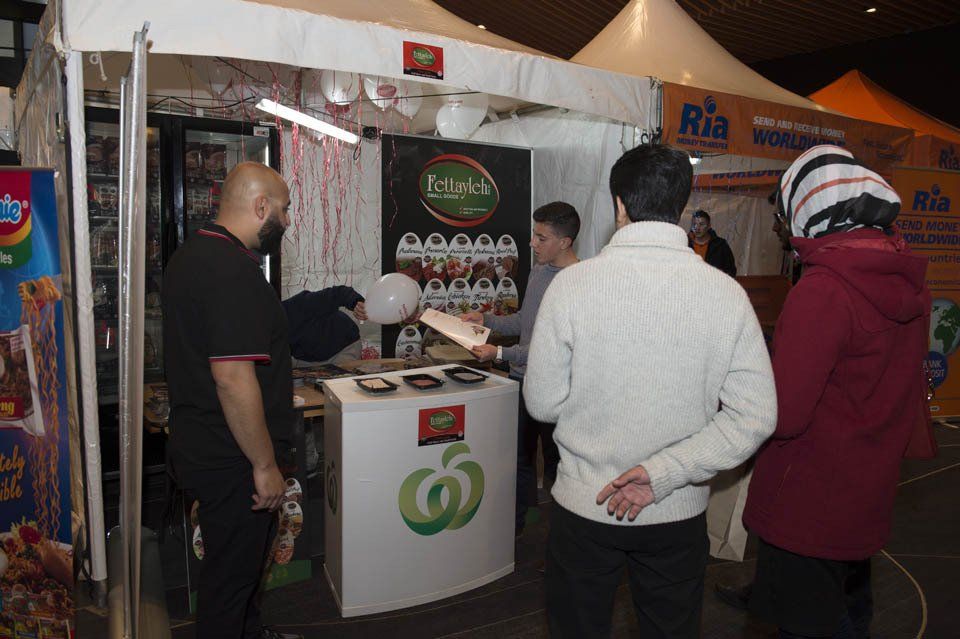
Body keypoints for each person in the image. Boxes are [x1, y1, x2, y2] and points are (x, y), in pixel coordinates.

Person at [523, 144, 777, 638]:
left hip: (585, 505)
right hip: (675, 508)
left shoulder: (572, 286)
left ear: (619, 203)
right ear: (682, 203)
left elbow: (542, 402)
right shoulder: (725, 293)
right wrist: (665, 472)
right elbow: (755, 417)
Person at [743, 145, 936, 639]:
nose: (786, 232)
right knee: (849, 613)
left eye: (787, 217)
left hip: (807, 499)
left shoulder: (823, 289)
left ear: (811, 211)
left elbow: (784, 414)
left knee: (805, 622)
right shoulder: (906, 281)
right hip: (864, 487)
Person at [163, 162, 301, 639]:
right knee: (229, 581)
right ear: (260, 206)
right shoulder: (232, 271)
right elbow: (233, 379)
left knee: (238, 575)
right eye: (282, 210)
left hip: (203, 443)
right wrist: (264, 465)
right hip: (234, 459)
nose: (286, 222)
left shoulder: (190, 256)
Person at [460, 201, 580, 536]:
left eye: (541, 237)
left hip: (558, 392)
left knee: (560, 471)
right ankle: (512, 531)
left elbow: (553, 347)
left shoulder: (577, 282)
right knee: (517, 461)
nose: (532, 243)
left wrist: (499, 352)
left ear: (565, 242)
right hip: (521, 381)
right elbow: (525, 323)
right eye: (534, 234)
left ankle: (562, 542)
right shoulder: (539, 270)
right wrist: (486, 319)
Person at [282, 286, 368, 363]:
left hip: (342, 347)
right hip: (306, 357)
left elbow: (339, 293)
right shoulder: (271, 333)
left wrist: (356, 303)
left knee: (338, 380)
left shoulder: (298, 304)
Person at [688, 209, 737, 276]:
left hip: (714, 284)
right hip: (690, 284)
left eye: (701, 224)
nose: (697, 228)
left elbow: (731, 271)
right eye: (694, 224)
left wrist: (719, 275)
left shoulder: (720, 245)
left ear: (709, 226)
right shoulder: (685, 244)